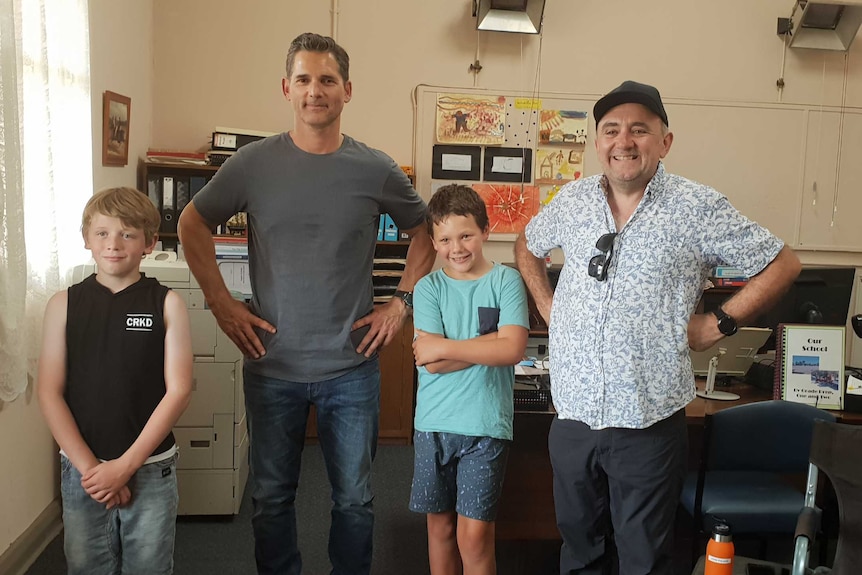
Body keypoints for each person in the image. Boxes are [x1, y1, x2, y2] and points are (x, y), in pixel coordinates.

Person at [514, 80, 802, 575]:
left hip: (646, 424)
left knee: (642, 559)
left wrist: (720, 321)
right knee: (578, 551)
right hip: (574, 416)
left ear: (664, 141)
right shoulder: (573, 200)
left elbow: (783, 263)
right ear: (597, 142)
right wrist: (548, 303)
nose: (624, 141)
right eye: (611, 130)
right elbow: (527, 244)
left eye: (639, 130)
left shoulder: (698, 207)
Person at [177, 32, 435, 575]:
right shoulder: (251, 164)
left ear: (347, 90)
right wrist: (221, 304)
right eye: (303, 79)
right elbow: (191, 223)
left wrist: (400, 302)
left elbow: (425, 232)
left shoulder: (376, 169)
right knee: (271, 501)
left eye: (326, 80)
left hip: (352, 368)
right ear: (286, 89)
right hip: (273, 364)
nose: (315, 90)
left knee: (356, 502)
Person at [37, 186, 193, 575]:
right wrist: (94, 470)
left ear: (149, 242)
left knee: (149, 567)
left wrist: (125, 467)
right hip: (82, 469)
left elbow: (179, 389)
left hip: (150, 466)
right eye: (103, 233)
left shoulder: (167, 302)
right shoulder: (63, 304)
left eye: (128, 233)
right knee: (87, 566)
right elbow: (49, 392)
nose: (114, 244)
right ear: (87, 239)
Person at [410, 184, 529, 575]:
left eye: (466, 235)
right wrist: (490, 342)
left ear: (486, 231)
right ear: (433, 241)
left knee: (474, 537)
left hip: (485, 424)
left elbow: (512, 350)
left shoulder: (506, 282)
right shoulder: (428, 288)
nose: (456, 247)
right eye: (445, 239)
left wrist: (447, 347)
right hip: (434, 424)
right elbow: (430, 364)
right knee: (439, 528)